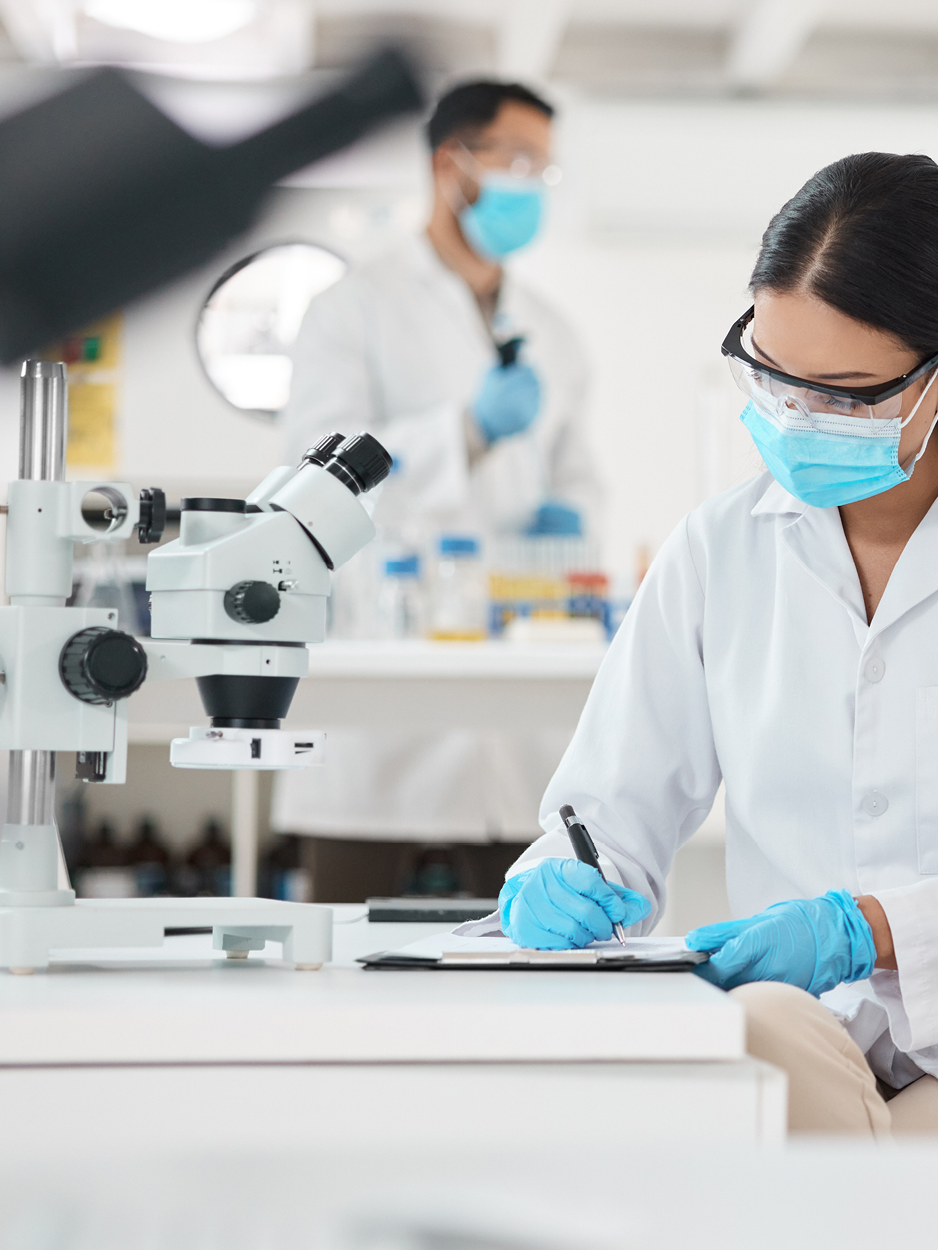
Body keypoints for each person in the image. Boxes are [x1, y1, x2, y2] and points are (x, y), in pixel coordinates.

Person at [489, 153, 938, 1248]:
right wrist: (564, 877)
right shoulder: (718, 549)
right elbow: (606, 812)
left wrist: (872, 929)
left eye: (845, 393)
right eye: (771, 373)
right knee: (758, 1058)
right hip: (803, 1042)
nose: (798, 415)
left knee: (791, 1168)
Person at [271, 80, 598, 892]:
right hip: (381, 720)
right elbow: (314, 478)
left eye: (544, 171)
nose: (532, 186)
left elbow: (582, 478)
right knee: (349, 974)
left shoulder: (553, 331)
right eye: (518, 161)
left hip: (513, 724)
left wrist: (568, 525)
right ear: (451, 165)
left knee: (511, 966)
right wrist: (468, 430)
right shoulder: (353, 308)